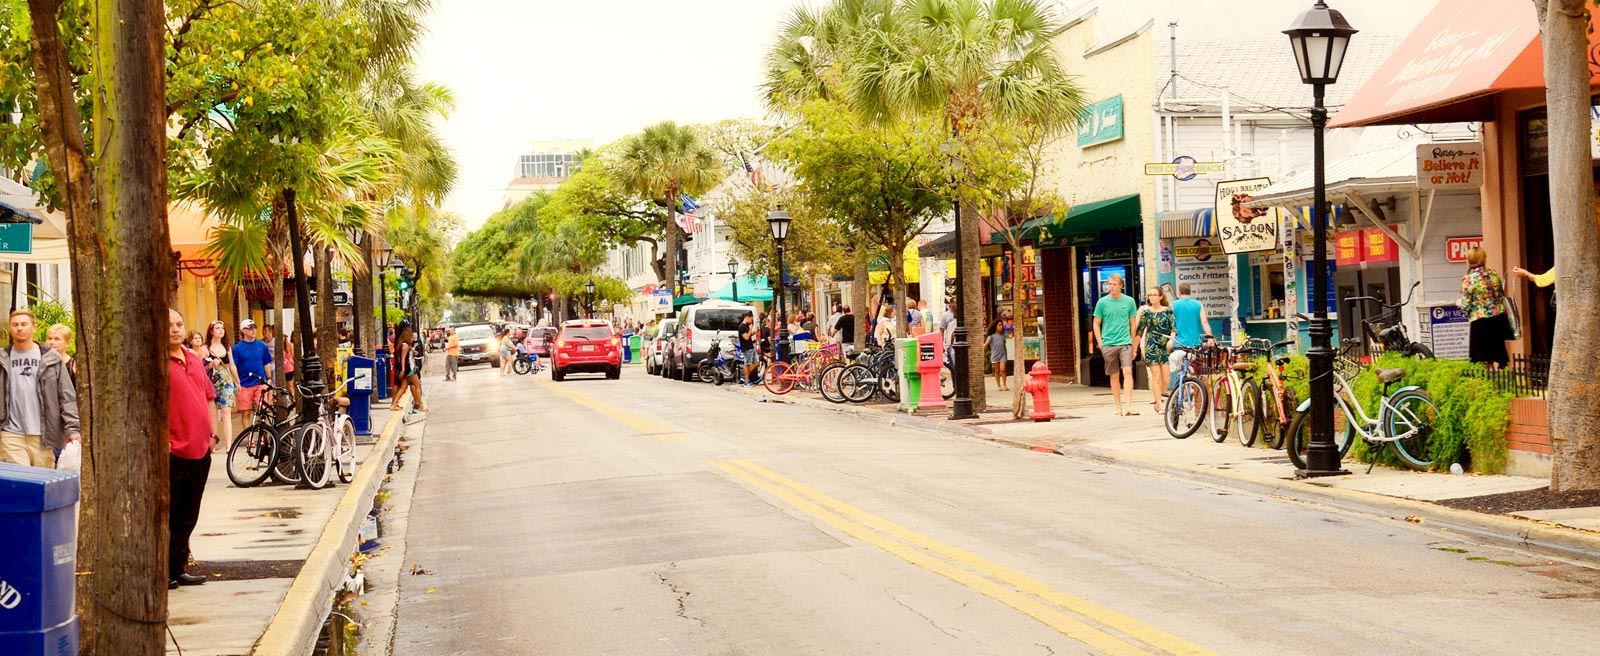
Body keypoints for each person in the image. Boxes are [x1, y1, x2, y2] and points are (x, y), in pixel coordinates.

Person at [165, 308, 215, 590]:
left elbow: (208, 397)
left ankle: (179, 567)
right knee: (171, 514)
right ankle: (166, 571)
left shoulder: (194, 359)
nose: (175, 329)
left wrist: (213, 435)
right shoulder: (156, 362)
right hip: (174, 452)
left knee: (189, 514)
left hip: (200, 450)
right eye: (169, 324)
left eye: (179, 323)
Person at [0, 309, 80, 468]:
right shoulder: (3, 358)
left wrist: (73, 429)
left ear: (34, 327)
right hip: (11, 433)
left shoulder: (51, 357)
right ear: (10, 328)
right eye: (15, 325)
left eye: (24, 324)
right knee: (20, 482)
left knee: (41, 484)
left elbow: (66, 395)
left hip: (43, 434)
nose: (19, 328)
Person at [1092, 273, 1139, 417]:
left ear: (1121, 286)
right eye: (1109, 284)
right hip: (1108, 343)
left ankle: (1129, 406)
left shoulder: (1129, 301)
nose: (1110, 287)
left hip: (1125, 342)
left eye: (1113, 284)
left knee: (1128, 371)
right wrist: (1100, 342)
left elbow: (1133, 324)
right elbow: (1096, 323)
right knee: (1114, 375)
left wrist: (1132, 342)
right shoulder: (1102, 302)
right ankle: (1118, 407)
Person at [1459, 247, 1511, 369]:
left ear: (1469, 260)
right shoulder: (1493, 274)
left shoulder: (1469, 279)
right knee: (1496, 355)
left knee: (1482, 360)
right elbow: (1500, 295)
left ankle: (1488, 382)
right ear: (1484, 259)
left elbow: (1466, 305)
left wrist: (1460, 305)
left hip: (1480, 322)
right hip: (1497, 320)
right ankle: (1501, 380)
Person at [1136, 286, 1175, 415]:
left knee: (1166, 378)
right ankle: (1159, 404)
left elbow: (1173, 328)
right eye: (1149, 295)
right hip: (1151, 345)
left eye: (1154, 295)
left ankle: (1157, 396)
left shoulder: (1168, 311)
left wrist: (1171, 340)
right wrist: (1134, 348)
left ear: (1160, 297)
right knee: (1156, 377)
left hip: (1164, 345)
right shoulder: (1146, 312)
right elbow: (1140, 331)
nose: (1151, 297)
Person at [1168, 283, 1214, 389]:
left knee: (1180, 369)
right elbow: (1204, 321)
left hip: (1178, 343)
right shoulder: (1198, 304)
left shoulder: (1172, 304)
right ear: (1190, 292)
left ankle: (1177, 393)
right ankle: (1193, 391)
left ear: (1178, 293)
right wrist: (1210, 337)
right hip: (1194, 344)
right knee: (1194, 369)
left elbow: (1171, 324)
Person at [231, 319, 273, 430]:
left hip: (260, 383)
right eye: (250, 328)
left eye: (254, 327)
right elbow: (233, 366)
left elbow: (266, 363)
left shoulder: (262, 346)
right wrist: (237, 382)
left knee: (263, 410)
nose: (253, 330)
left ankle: (264, 436)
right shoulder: (237, 348)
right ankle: (248, 437)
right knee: (246, 413)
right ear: (243, 330)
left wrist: (269, 379)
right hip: (244, 385)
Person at [204, 320, 239, 450]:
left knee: (226, 412)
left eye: (222, 328)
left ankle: (229, 445)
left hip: (226, 381)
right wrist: (211, 364)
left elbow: (232, 365)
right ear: (211, 331)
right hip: (211, 381)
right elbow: (200, 367)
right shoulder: (205, 348)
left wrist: (237, 381)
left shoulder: (227, 346)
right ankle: (212, 443)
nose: (221, 330)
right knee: (211, 413)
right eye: (217, 328)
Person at [988, 320, 1008, 391]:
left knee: (1003, 369)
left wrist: (1006, 355)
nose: (1001, 327)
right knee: (997, 371)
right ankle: (999, 385)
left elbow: (1004, 346)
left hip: (1003, 355)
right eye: (999, 325)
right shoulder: (991, 336)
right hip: (995, 356)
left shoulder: (1003, 336)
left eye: (1002, 325)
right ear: (995, 326)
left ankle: (1004, 385)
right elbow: (986, 344)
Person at [738, 314, 758, 385]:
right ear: (747, 317)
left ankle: (745, 376)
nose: (751, 321)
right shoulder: (741, 327)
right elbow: (746, 337)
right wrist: (750, 329)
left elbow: (748, 336)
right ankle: (746, 380)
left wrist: (753, 333)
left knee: (756, 362)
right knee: (747, 364)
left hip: (750, 346)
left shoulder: (746, 326)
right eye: (751, 319)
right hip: (747, 348)